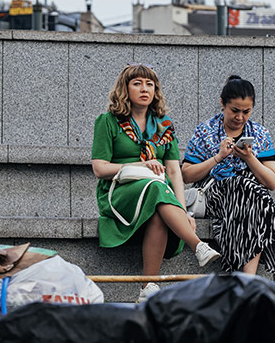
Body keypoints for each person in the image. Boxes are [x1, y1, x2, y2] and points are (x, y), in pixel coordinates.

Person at [92, 64, 220, 302]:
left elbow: (173, 170)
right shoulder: (107, 121)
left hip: (157, 191)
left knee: (159, 205)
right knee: (157, 188)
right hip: (118, 191)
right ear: (125, 88)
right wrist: (140, 166)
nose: (144, 89)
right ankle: (198, 245)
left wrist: (182, 211)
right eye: (137, 83)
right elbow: (100, 168)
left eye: (149, 84)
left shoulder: (164, 125)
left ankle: (148, 287)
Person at [181, 76, 275, 275]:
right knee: (242, 186)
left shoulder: (259, 133)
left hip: (250, 200)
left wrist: (250, 158)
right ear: (223, 103)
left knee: (248, 200)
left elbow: (272, 182)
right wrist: (218, 157)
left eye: (246, 112)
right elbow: (186, 175)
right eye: (235, 111)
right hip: (214, 195)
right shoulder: (205, 131)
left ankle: (247, 281)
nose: (240, 117)